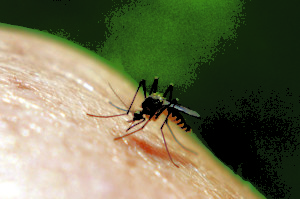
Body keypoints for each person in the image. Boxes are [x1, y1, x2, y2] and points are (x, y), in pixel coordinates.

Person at [0, 27, 262, 198]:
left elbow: (160, 112)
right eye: (136, 116)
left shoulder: (157, 111)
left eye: (136, 117)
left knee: (162, 121)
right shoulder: (145, 105)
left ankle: (169, 136)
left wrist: (162, 122)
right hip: (156, 105)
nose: (135, 118)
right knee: (154, 97)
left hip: (166, 111)